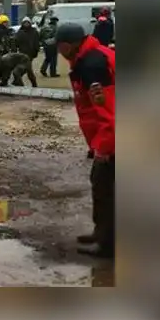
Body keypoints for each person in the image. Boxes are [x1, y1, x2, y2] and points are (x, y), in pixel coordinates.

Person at [55, 22, 115, 259]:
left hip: (113, 138)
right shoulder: (86, 59)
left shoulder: (92, 66)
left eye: (60, 47)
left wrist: (104, 148)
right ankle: (102, 234)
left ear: (68, 45)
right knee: (101, 186)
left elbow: (109, 112)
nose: (58, 51)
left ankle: (109, 245)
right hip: (107, 136)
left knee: (106, 190)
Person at [13, 17, 40, 88]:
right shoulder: (20, 32)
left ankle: (17, 81)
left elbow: (37, 42)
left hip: (31, 53)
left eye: (28, 22)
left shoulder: (34, 31)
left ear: (30, 23)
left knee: (27, 69)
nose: (26, 24)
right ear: (22, 24)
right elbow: (16, 42)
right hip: (22, 54)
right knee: (27, 69)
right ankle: (18, 82)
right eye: (25, 23)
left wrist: (36, 50)